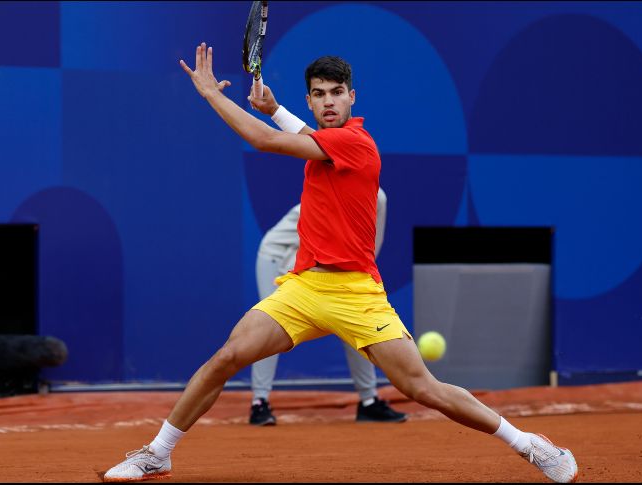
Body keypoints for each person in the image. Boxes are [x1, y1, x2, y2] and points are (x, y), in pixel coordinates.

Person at [103, 45, 578, 483]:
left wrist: (210, 93)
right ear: (310, 101)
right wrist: (275, 109)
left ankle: (530, 445)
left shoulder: (357, 143)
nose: (328, 101)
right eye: (318, 95)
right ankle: (159, 452)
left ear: (352, 97)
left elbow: (264, 142)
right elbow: (301, 135)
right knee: (227, 357)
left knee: (422, 388)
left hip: (357, 294)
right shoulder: (323, 141)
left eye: (336, 93)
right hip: (305, 288)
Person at [249, 186, 407, 425]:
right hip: (281, 255)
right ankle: (259, 402)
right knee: (269, 327)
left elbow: (370, 248)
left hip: (332, 264)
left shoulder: (378, 198)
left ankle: (369, 401)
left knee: (358, 325)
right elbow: (316, 246)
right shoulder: (330, 192)